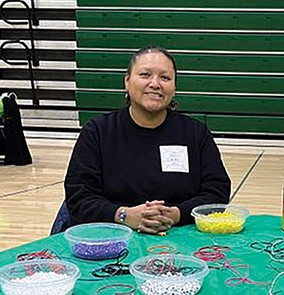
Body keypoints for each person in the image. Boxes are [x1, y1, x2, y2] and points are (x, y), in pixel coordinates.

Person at [63, 46, 231, 235]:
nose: (155, 84)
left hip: (182, 236)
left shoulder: (195, 133)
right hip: (111, 237)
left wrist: (175, 214)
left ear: (174, 88)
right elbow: (79, 197)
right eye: (145, 75)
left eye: (165, 78)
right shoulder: (98, 132)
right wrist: (123, 215)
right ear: (127, 82)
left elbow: (217, 191)